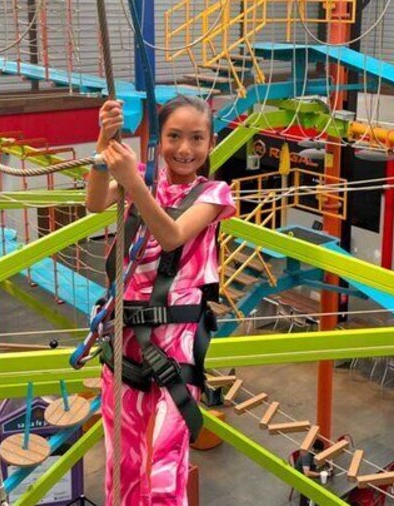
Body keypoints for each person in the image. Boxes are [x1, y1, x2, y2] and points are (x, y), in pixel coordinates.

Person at [87, 95, 236, 506]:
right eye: (174, 136)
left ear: (210, 143)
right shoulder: (143, 178)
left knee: (164, 472)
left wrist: (133, 184)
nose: (185, 149)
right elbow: (95, 202)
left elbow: (172, 235)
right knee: (123, 465)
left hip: (175, 342)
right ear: (160, 140)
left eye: (197, 138)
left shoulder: (214, 194)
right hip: (126, 336)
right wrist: (103, 143)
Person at [294, 439, 328, 506]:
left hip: (310, 469)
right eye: (319, 451)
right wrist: (320, 474)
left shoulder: (313, 452)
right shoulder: (306, 456)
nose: (320, 453)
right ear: (315, 450)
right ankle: (307, 502)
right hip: (301, 476)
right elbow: (306, 473)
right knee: (317, 486)